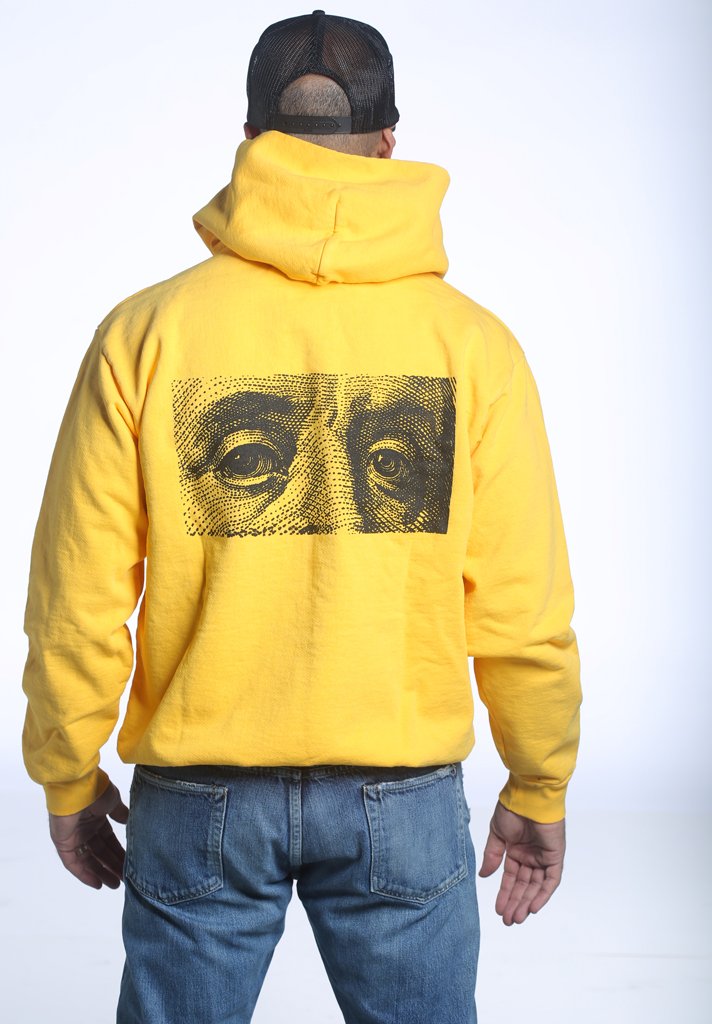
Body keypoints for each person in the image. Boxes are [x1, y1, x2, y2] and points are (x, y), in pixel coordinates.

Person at [21, 10, 582, 1023]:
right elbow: (522, 604)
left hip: (198, 792)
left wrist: (67, 772)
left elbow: (78, 595)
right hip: (400, 793)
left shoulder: (146, 332)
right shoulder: (474, 347)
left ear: (250, 140)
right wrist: (538, 781)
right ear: (388, 142)